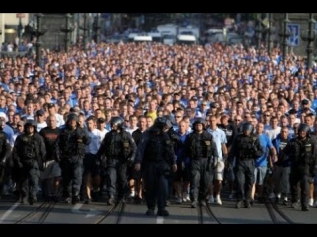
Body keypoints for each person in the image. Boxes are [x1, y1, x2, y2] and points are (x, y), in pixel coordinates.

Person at [134, 117, 177, 216]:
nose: (165, 129)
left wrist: (174, 162)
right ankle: (151, 207)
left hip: (162, 164)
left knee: (163, 187)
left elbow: (170, 150)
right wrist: (138, 162)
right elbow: (140, 149)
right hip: (149, 164)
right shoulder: (147, 134)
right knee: (150, 187)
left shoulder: (165, 136)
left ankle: (161, 208)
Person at [96, 116, 137, 205]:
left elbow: (134, 147)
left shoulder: (126, 135)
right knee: (111, 178)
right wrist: (98, 157)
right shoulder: (109, 135)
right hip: (111, 160)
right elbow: (102, 147)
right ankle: (111, 196)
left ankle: (123, 196)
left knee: (122, 179)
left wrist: (132, 158)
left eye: (114, 124)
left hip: (122, 161)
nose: (112, 126)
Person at [55, 113, 91, 205]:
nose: (72, 123)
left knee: (77, 176)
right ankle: (68, 195)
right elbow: (57, 145)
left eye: (74, 121)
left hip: (78, 157)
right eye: (70, 121)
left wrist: (82, 136)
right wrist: (58, 156)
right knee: (67, 178)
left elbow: (88, 141)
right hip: (66, 158)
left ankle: (76, 194)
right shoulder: (63, 132)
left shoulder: (82, 131)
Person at [182, 118, 219, 208]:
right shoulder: (190, 137)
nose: (198, 126)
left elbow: (214, 148)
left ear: (203, 126)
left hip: (206, 161)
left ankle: (202, 198)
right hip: (194, 161)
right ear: (194, 126)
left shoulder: (208, 136)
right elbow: (185, 149)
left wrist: (216, 158)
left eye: (200, 125)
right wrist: (183, 161)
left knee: (206, 182)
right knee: (194, 181)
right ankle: (194, 199)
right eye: (197, 125)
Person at [228, 122, 264, 208]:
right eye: (245, 130)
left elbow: (261, 151)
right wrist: (229, 161)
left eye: (248, 130)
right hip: (240, 162)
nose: (246, 131)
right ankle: (240, 199)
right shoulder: (238, 138)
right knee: (240, 182)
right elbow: (233, 151)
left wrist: (255, 151)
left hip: (250, 162)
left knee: (249, 182)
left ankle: (248, 199)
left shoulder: (255, 138)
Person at [283, 123, 317, 211]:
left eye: (304, 131)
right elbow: (285, 151)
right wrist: (290, 155)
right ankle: (295, 200)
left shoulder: (311, 142)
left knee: (305, 184)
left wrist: (314, 168)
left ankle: (304, 204)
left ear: (307, 132)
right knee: (294, 184)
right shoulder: (293, 141)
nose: (302, 133)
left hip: (306, 166)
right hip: (295, 165)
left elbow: (315, 156)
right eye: (300, 131)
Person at [12, 119, 46, 205]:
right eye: (28, 127)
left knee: (34, 179)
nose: (30, 129)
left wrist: (41, 162)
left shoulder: (38, 138)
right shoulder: (20, 138)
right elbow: (16, 151)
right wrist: (18, 162)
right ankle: (25, 196)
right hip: (23, 162)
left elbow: (42, 151)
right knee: (23, 181)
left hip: (34, 161)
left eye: (31, 128)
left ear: (34, 128)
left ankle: (33, 195)